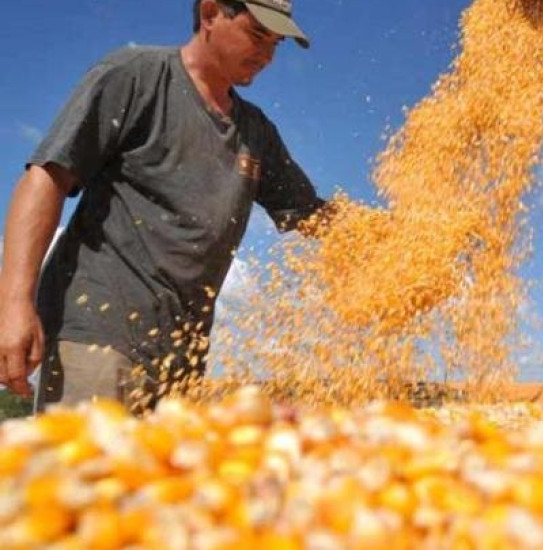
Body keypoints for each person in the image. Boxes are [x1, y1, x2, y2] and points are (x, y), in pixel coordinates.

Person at [0, 0, 327, 413]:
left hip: (182, 358)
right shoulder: (136, 75)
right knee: (92, 472)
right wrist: (13, 304)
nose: (266, 55)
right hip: (99, 335)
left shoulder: (255, 132)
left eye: (276, 43)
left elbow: (313, 213)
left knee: (166, 474)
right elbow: (46, 177)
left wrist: (402, 238)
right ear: (210, 14)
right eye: (257, 35)